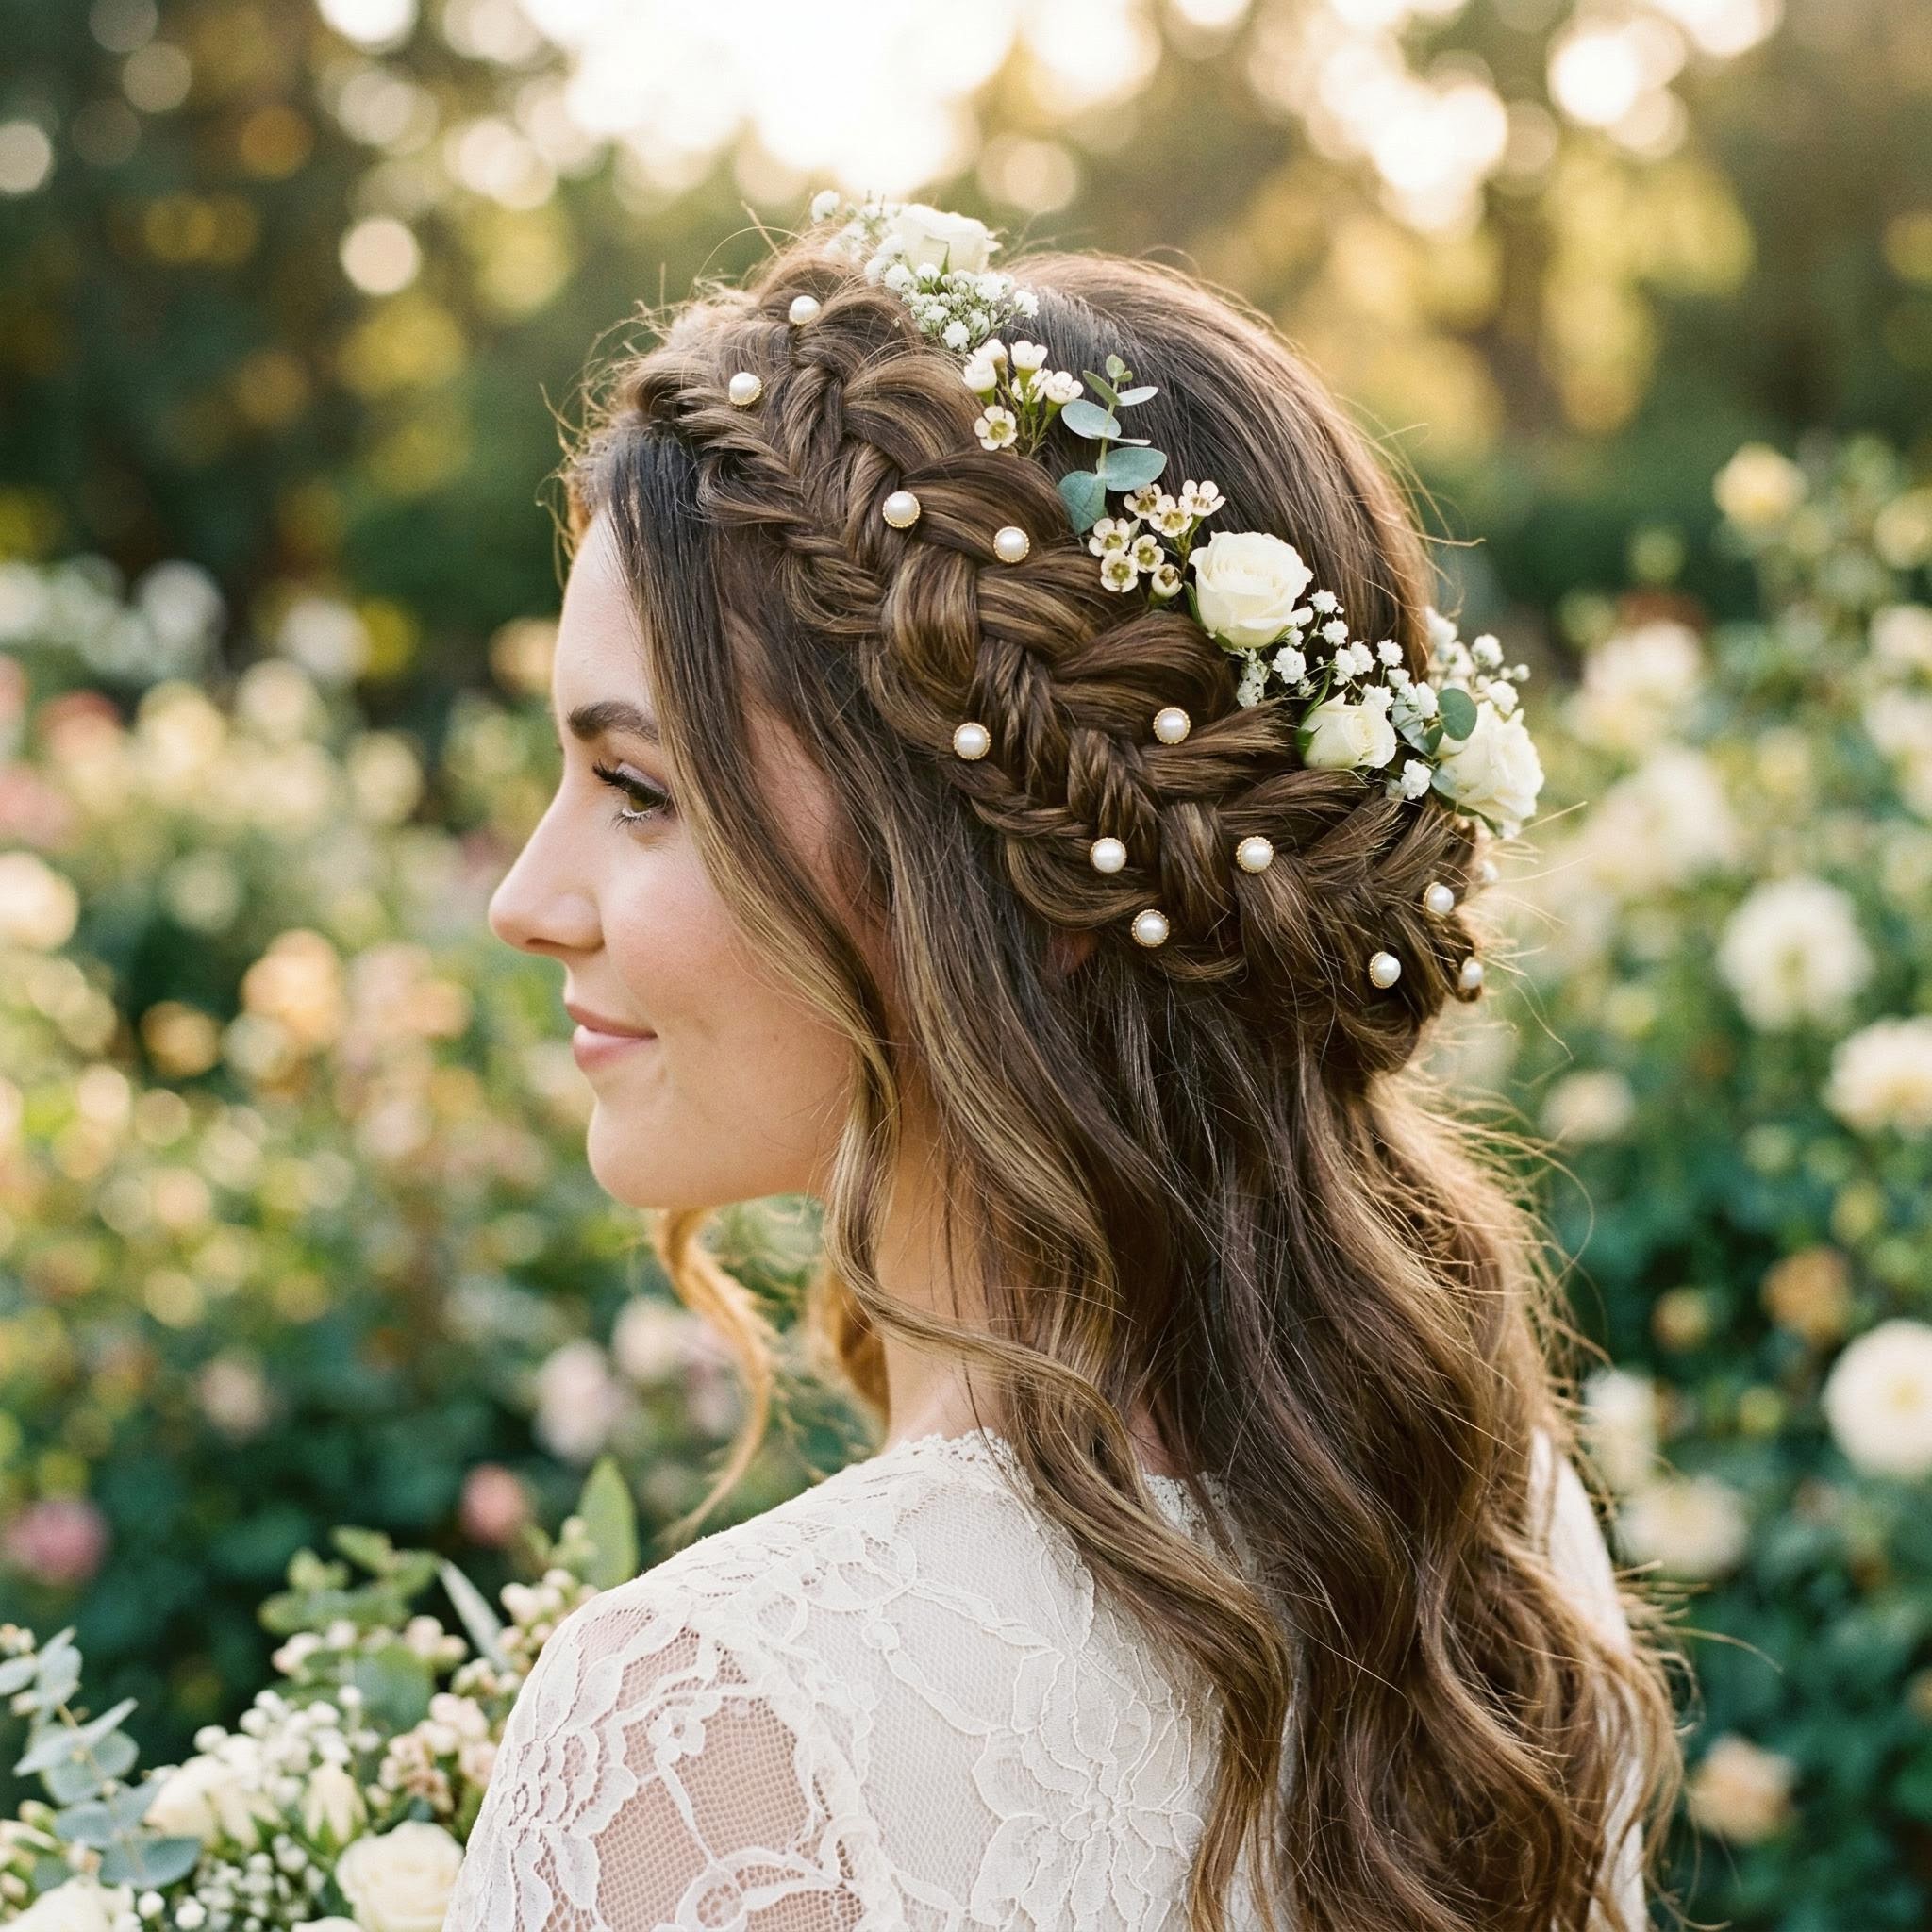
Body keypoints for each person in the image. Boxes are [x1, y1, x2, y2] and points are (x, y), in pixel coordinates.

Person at [446, 196, 1685, 1932]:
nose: (526, 898)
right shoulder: (1478, 1543)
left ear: (1006, 874)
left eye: (640, 789)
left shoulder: (708, 1732)